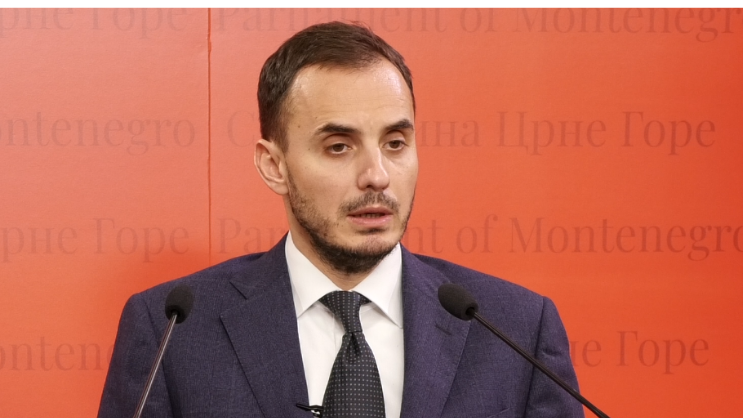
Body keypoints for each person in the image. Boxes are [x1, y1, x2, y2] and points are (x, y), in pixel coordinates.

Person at [98, 21, 584, 418]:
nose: (377, 175)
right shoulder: (172, 330)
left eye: (395, 143)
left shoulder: (517, 329)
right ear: (274, 166)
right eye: (338, 147)